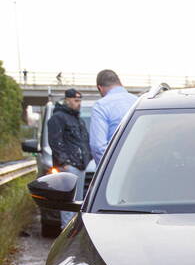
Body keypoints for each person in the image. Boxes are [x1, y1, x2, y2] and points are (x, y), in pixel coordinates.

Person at [47, 89, 90, 229]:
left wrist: (87, 158)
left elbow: (84, 141)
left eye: (80, 101)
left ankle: (73, 234)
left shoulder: (78, 119)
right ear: (67, 100)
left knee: (77, 203)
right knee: (68, 203)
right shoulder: (58, 118)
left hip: (81, 166)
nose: (79, 104)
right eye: (76, 100)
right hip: (69, 167)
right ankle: (66, 233)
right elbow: (55, 142)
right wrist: (64, 163)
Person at [90, 69, 136, 164]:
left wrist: (110, 170)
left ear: (100, 88)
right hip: (138, 164)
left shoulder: (101, 106)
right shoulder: (137, 101)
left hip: (116, 170)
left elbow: (98, 147)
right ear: (120, 83)